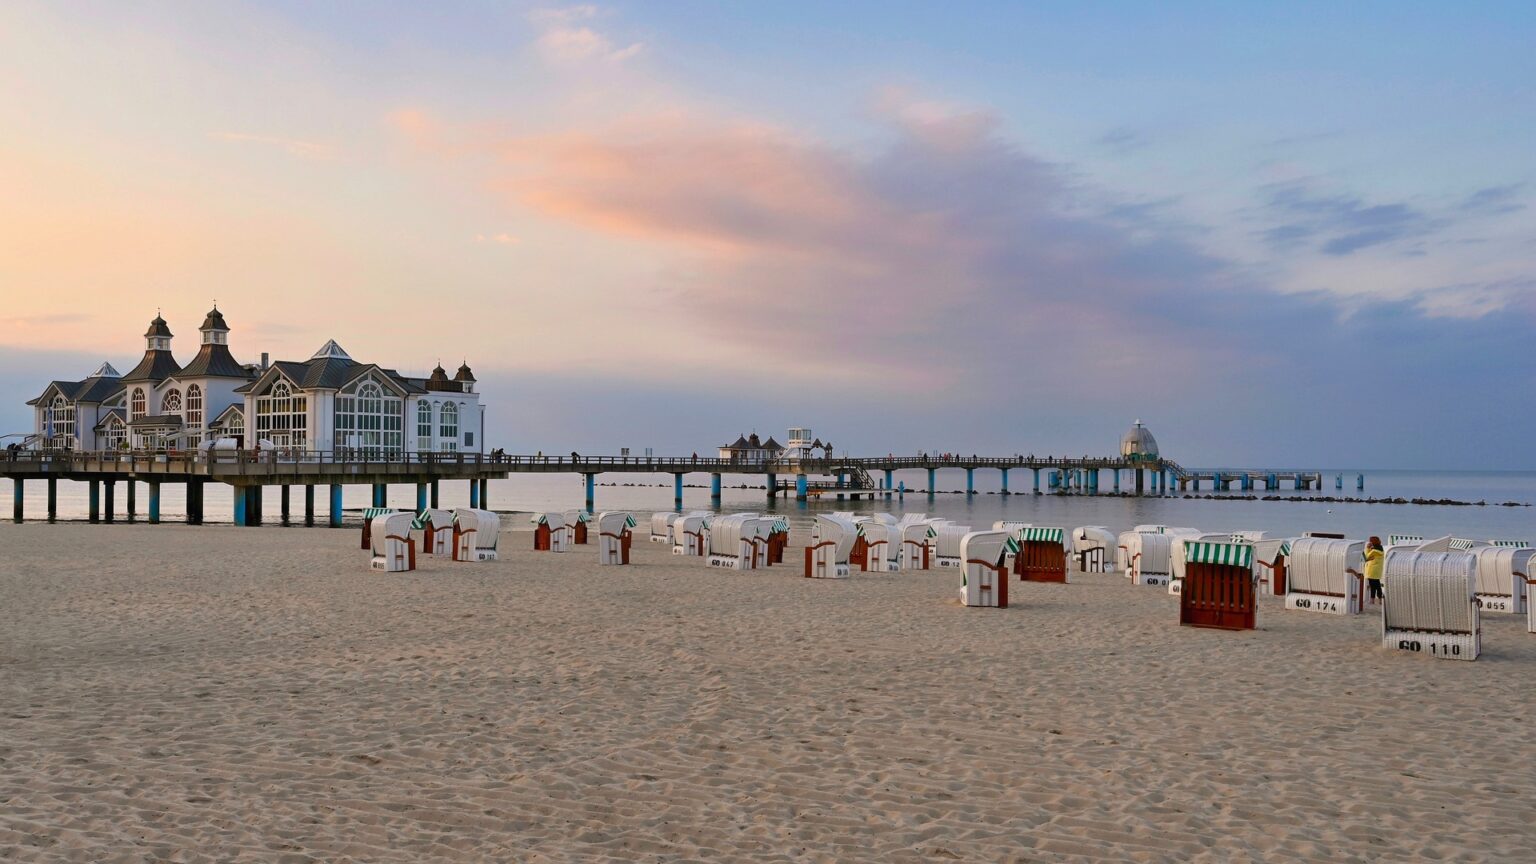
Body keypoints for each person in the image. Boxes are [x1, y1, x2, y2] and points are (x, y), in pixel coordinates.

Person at [1364, 536, 1385, 603]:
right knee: (1377, 585)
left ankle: (1373, 599)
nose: (1370, 542)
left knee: (1373, 585)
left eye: (1370, 541)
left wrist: (1367, 548)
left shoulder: (1374, 551)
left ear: (1373, 542)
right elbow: (1368, 558)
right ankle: (1379, 599)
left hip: (1372, 569)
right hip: (1377, 570)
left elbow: (1366, 557)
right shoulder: (1380, 549)